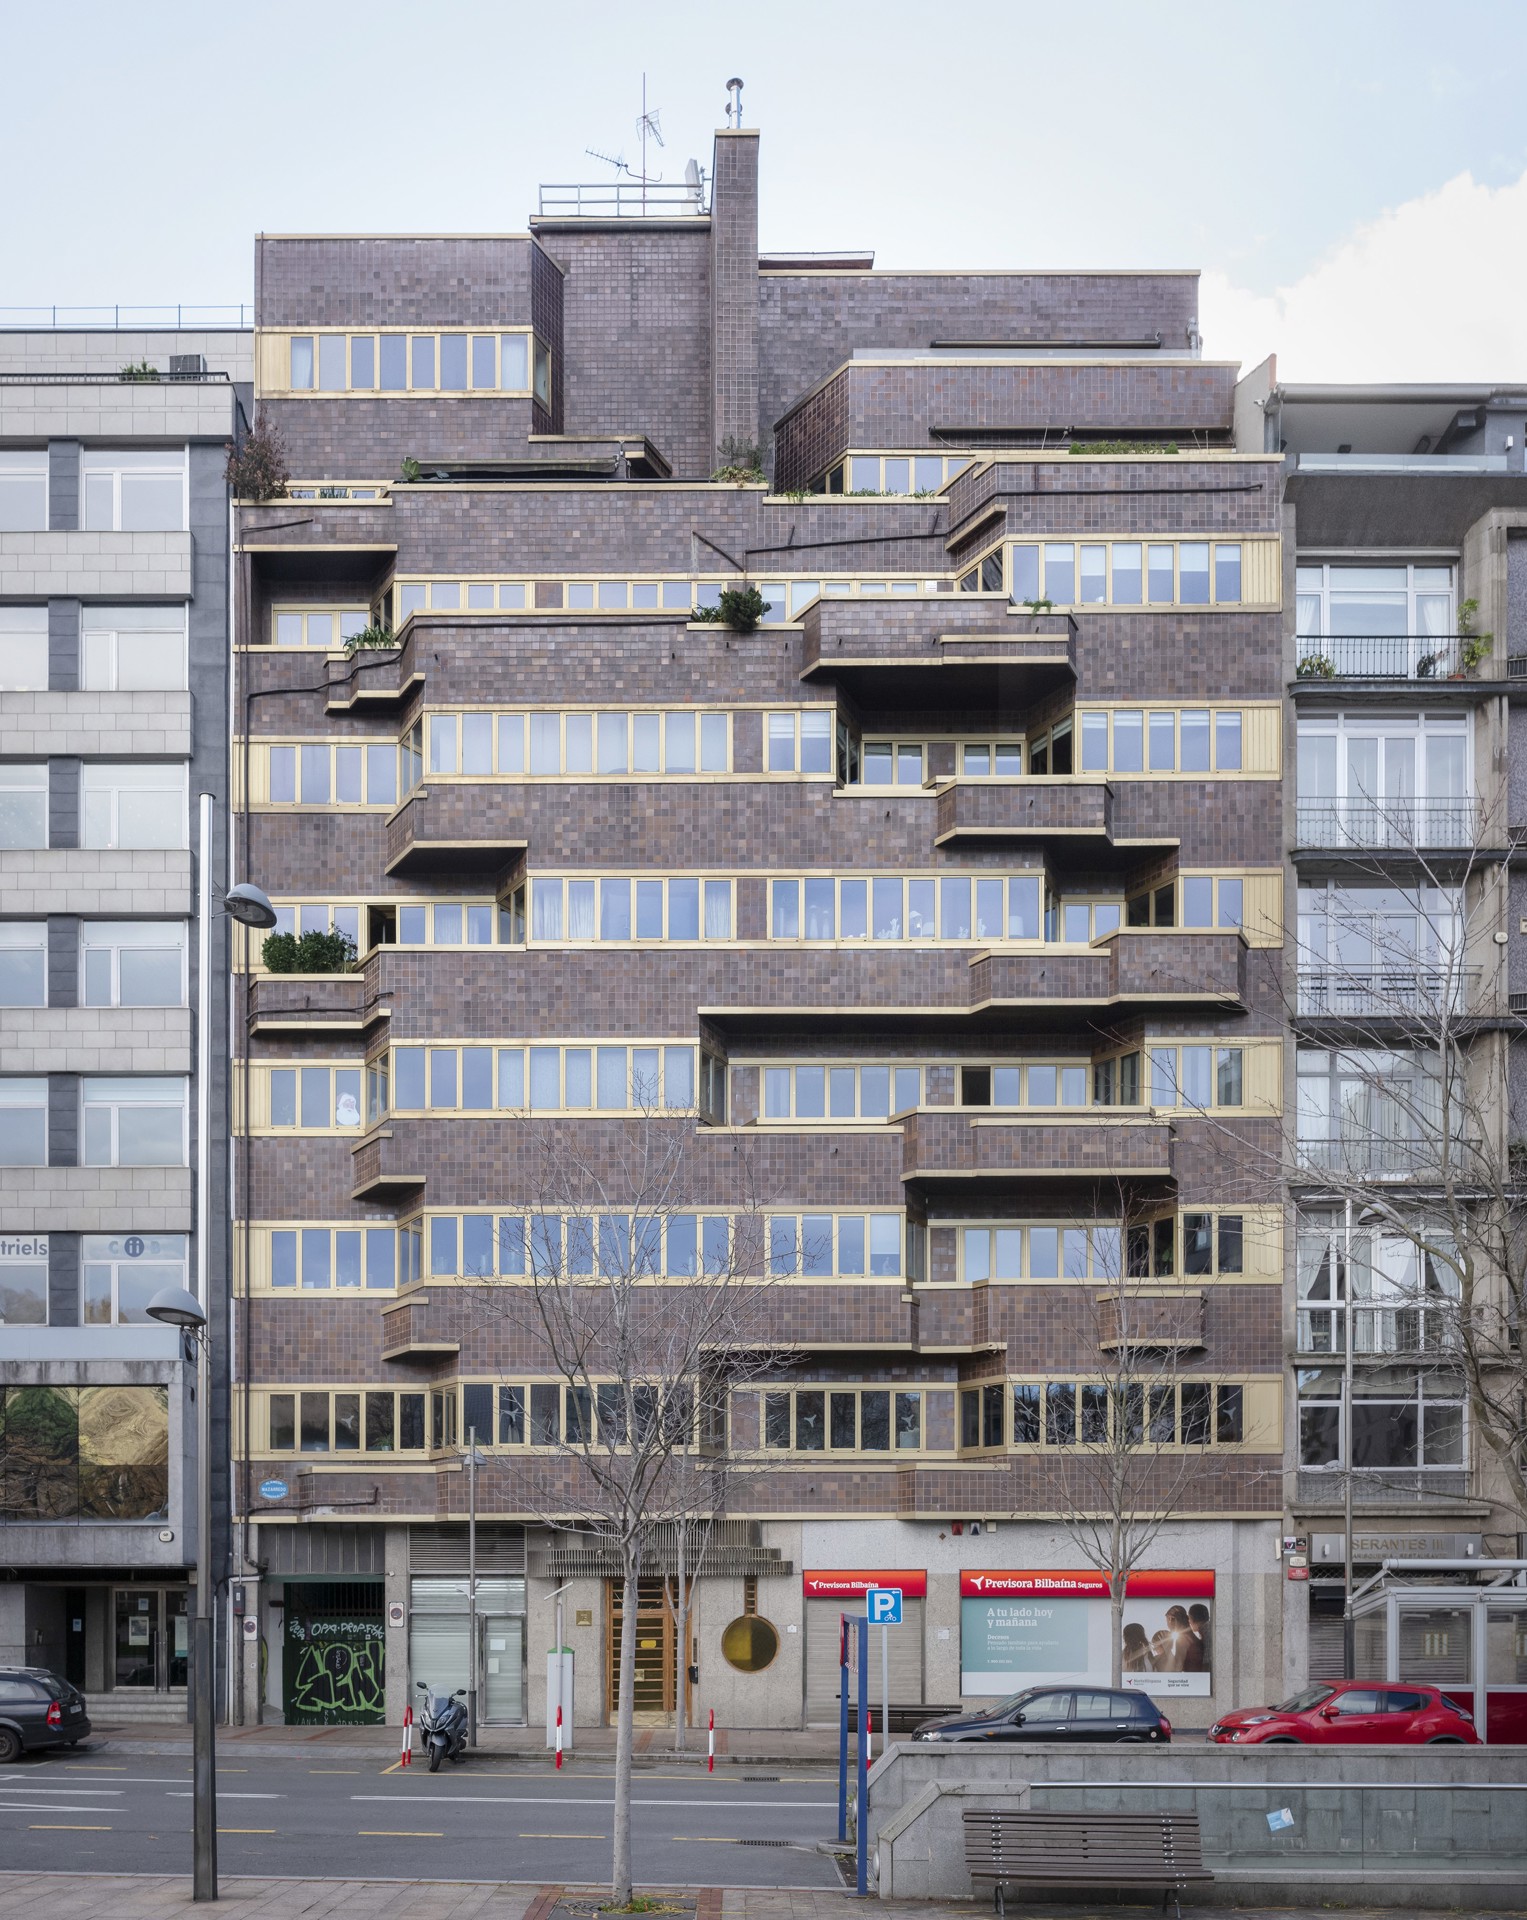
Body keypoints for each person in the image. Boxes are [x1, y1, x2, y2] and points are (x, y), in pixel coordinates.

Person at [1167, 1604, 1203, 1673]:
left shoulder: (1182, 1638)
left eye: (1167, 1621)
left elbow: (1179, 1666)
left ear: (1171, 1619)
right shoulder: (1191, 1635)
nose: (1167, 1625)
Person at [1188, 1602, 1212, 1673]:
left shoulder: (1207, 1632)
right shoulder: (1208, 1629)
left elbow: (1207, 1662)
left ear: (1192, 1618)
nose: (1189, 1622)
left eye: (1189, 1618)